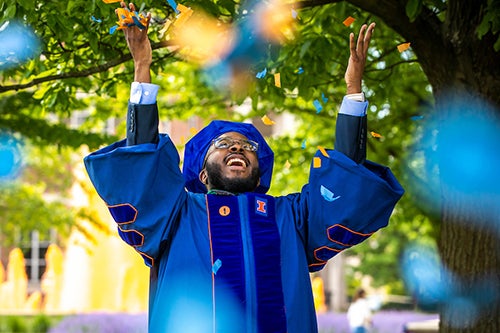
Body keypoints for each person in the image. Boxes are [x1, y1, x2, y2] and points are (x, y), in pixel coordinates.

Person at [84, 2, 404, 332]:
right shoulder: (178, 215)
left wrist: (353, 93)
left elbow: (346, 186)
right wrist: (142, 67)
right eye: (223, 145)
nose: (237, 146)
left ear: (258, 172)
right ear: (203, 173)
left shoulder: (289, 217)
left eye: (247, 146)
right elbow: (141, 168)